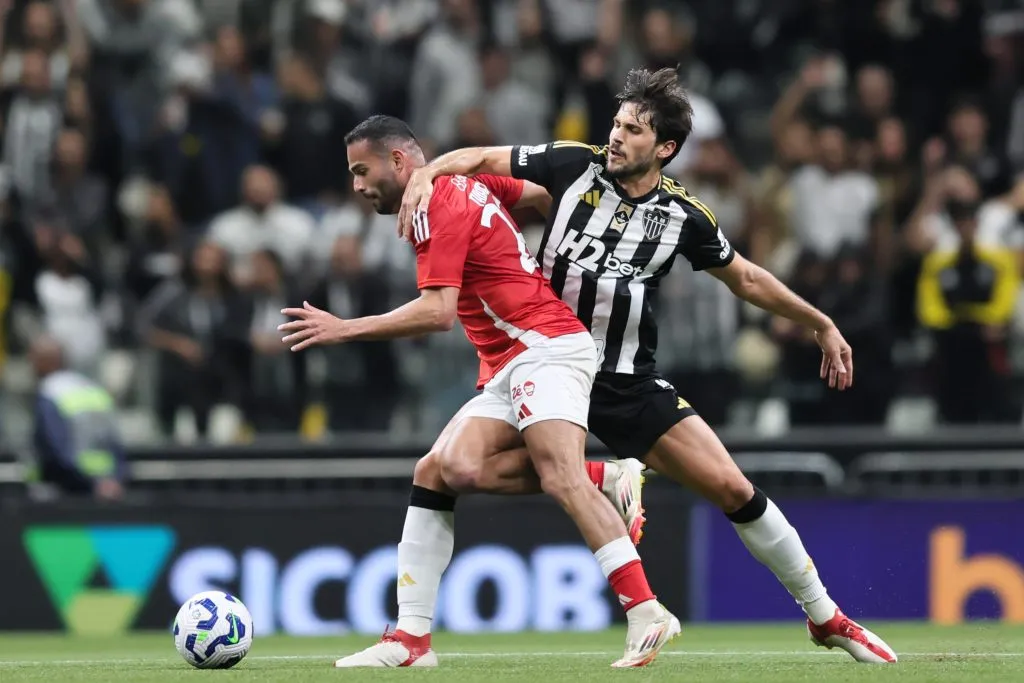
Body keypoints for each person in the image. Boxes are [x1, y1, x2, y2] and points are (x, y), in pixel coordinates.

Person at [398, 67, 897, 664]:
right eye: (616, 123)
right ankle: (606, 480)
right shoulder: (570, 163)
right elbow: (481, 157)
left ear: (665, 148)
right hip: (545, 366)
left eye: (633, 130)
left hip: (626, 381)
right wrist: (428, 171)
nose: (615, 136)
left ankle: (827, 617)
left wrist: (819, 321)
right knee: (455, 468)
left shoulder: (683, 216)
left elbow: (746, 277)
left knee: (734, 488)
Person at [278, 115, 678, 668]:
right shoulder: (464, 184)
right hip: (509, 358)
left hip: (547, 346)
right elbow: (541, 195)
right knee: (443, 470)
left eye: (361, 170)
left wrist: (345, 328)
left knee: (558, 475)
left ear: (399, 162)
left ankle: (645, 611)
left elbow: (438, 312)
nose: (356, 185)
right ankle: (411, 641)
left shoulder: (435, 205)